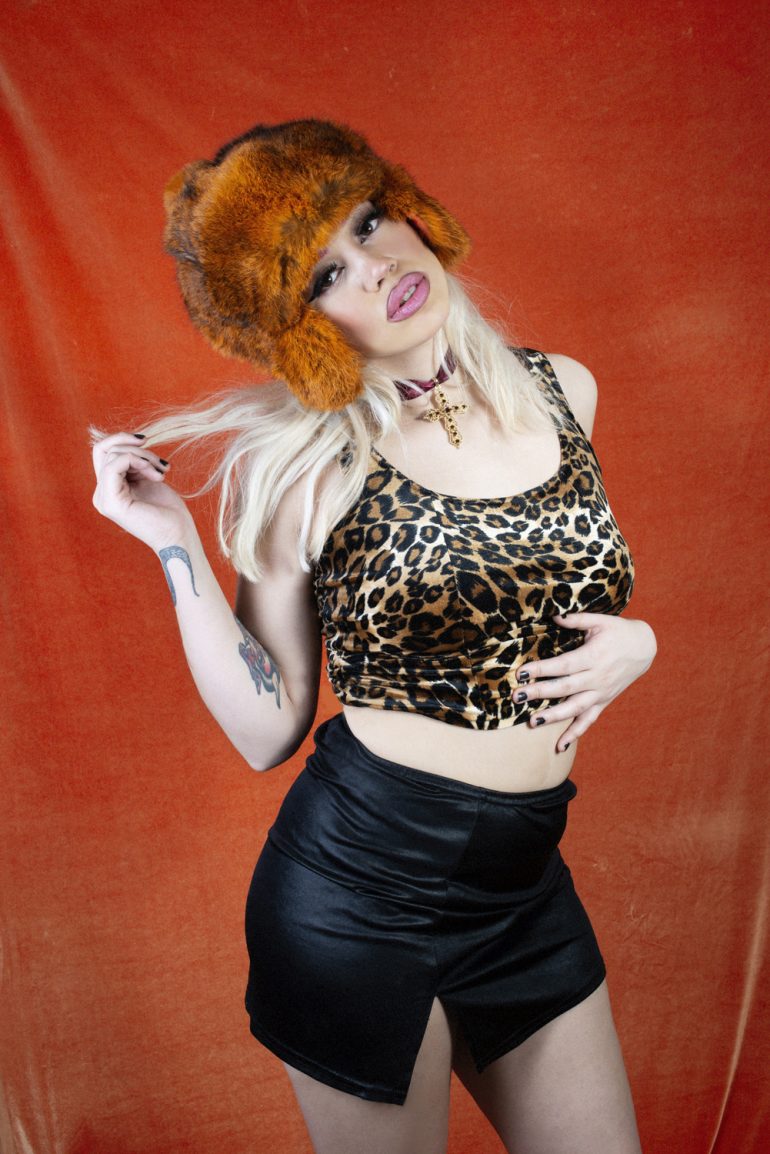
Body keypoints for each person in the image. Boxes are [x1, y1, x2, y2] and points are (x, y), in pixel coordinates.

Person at [91, 120, 655, 1154]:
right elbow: (268, 728)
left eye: (365, 222)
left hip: (522, 886)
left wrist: (640, 643)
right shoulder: (306, 468)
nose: (375, 266)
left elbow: (544, 592)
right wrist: (173, 543)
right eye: (324, 277)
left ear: (409, 209)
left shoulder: (562, 390)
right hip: (358, 895)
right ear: (299, 326)